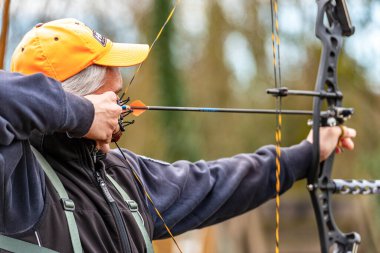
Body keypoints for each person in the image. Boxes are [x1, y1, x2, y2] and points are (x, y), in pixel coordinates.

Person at [4, 18, 356, 253]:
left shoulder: (121, 174)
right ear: (73, 101)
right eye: (112, 99)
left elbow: (215, 183)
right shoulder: (16, 177)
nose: (122, 108)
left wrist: (307, 154)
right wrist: (83, 115)